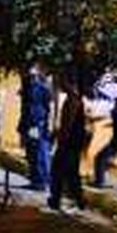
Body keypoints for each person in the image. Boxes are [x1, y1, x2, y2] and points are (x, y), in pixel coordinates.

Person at [48, 81, 87, 211]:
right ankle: (77, 201)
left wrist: (61, 139)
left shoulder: (73, 100)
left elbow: (68, 124)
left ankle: (56, 199)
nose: (61, 84)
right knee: (70, 173)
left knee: (59, 170)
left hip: (69, 143)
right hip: (72, 143)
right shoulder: (74, 99)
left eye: (64, 80)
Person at [17, 66, 52, 192]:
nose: (30, 78)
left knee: (38, 152)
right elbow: (25, 108)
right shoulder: (27, 88)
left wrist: (44, 124)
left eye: (32, 75)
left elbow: (46, 109)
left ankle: (40, 181)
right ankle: (36, 180)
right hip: (30, 124)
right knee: (32, 152)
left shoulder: (42, 89)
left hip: (36, 124)